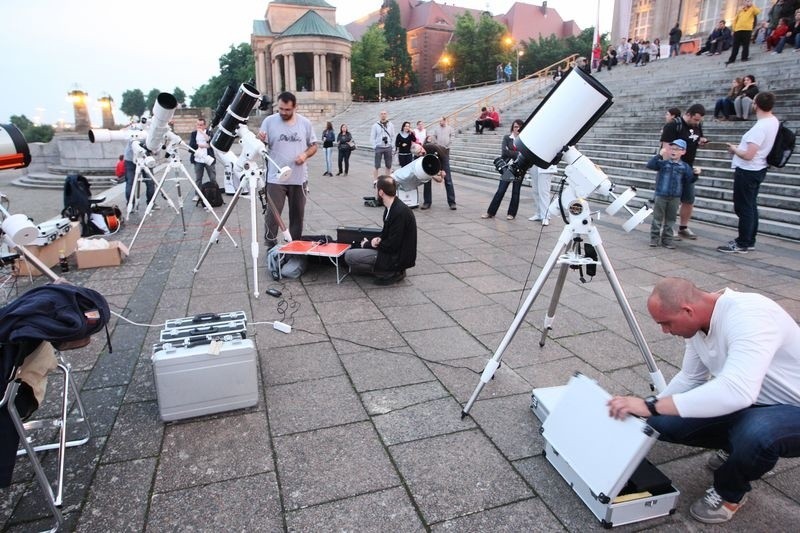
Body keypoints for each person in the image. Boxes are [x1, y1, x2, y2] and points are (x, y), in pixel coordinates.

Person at [607, 277, 800, 525]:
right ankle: (735, 446)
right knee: (661, 423)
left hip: (792, 407)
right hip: (753, 402)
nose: (665, 331)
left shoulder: (750, 316)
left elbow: (737, 390)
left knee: (756, 435)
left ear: (688, 310)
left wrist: (649, 406)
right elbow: (690, 378)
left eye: (666, 323)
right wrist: (644, 412)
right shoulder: (698, 324)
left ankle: (730, 492)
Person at [717, 91, 779, 253]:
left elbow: (748, 155)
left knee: (744, 207)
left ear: (756, 104)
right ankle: (749, 240)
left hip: (748, 170)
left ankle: (742, 242)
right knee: (750, 206)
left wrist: (734, 149)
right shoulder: (773, 121)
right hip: (759, 168)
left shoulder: (761, 127)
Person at [257, 91, 317, 248]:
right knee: (272, 214)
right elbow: (261, 148)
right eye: (281, 109)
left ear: (295, 107)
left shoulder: (305, 123)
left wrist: (305, 155)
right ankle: (270, 244)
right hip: (276, 178)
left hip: (298, 177)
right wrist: (260, 142)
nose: (283, 113)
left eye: (287, 110)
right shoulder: (269, 122)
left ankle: (295, 244)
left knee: (297, 214)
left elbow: (314, 146)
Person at [344, 175, 417, 285]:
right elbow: (390, 235)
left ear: (381, 192)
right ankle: (385, 269)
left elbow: (392, 245)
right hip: (393, 252)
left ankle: (390, 272)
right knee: (355, 248)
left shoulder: (399, 212)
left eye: (376, 189)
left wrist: (368, 245)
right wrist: (379, 239)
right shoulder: (391, 206)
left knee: (349, 256)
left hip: (396, 258)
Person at [660, 103, 708, 240]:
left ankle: (683, 227)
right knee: (670, 199)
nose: (697, 123)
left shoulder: (696, 126)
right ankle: (667, 227)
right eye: (696, 119)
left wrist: (701, 141)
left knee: (689, 198)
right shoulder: (673, 125)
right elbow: (665, 149)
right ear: (688, 114)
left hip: (688, 167)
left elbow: (696, 139)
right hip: (673, 167)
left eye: (699, 120)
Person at [646, 140, 695, 249]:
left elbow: (690, 179)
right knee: (657, 218)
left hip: (675, 197)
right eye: (672, 148)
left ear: (683, 152)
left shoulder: (685, 166)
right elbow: (650, 165)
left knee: (671, 219)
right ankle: (654, 238)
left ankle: (667, 240)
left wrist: (696, 174)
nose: (674, 151)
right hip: (661, 195)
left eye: (677, 149)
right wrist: (659, 155)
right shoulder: (663, 163)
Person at [482, 119, 524, 220]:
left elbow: (524, 154)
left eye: (519, 127)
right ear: (512, 128)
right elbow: (504, 152)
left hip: (520, 168)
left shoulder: (524, 140)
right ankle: (491, 212)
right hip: (508, 169)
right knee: (501, 190)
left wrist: (512, 152)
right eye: (515, 127)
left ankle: (511, 213)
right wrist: (518, 153)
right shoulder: (507, 138)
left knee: (516, 192)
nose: (517, 129)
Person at [423, 117, 456, 210]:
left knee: (448, 178)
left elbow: (452, 138)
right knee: (427, 178)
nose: (440, 122)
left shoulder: (450, 129)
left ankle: (452, 202)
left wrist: (447, 146)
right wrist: (437, 145)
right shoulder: (436, 130)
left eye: (441, 120)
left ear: (445, 121)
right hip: (436, 153)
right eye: (439, 121)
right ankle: (427, 202)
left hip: (445, 153)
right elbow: (433, 138)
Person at [726, 0, 761, 64]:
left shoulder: (752, 9)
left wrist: (752, 5)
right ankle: (732, 59)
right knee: (735, 45)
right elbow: (735, 20)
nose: (747, 2)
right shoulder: (740, 11)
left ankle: (744, 57)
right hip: (738, 30)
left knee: (746, 45)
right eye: (746, 1)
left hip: (747, 30)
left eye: (748, 1)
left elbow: (758, 12)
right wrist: (733, 29)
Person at [189, 118, 217, 193]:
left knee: (212, 178)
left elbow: (211, 143)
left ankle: (215, 193)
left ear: (205, 126)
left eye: (201, 125)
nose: (199, 126)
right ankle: (198, 194)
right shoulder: (194, 134)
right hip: (198, 159)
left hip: (208, 158)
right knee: (198, 178)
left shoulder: (209, 132)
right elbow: (191, 145)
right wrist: (203, 145)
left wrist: (203, 133)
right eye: (198, 124)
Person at [371, 110, 395, 179]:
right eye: (382, 114)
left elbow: (393, 136)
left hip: (388, 147)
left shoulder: (390, 125)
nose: (383, 115)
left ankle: (387, 179)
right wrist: (375, 146)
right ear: (379, 115)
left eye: (384, 114)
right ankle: (375, 180)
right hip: (379, 147)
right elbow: (372, 137)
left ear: (386, 115)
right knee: (376, 165)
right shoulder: (375, 125)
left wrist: (392, 146)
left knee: (388, 165)